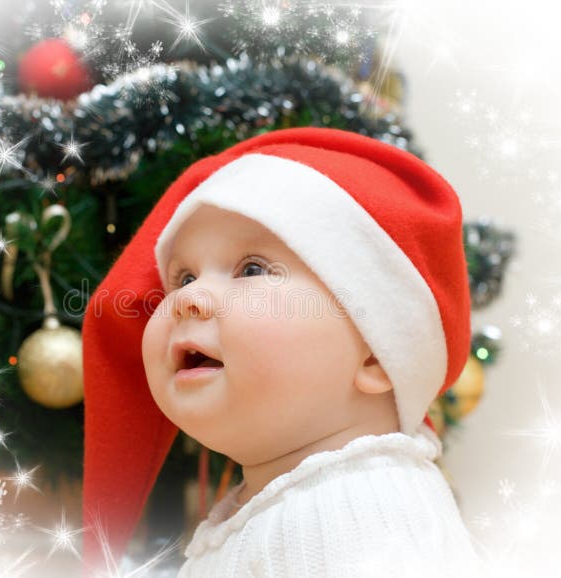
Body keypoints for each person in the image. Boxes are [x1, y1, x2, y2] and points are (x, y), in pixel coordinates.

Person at [80, 127, 487, 577]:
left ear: (375, 354)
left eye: (251, 269)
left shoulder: (359, 517)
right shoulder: (300, 504)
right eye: (184, 278)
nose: (184, 300)